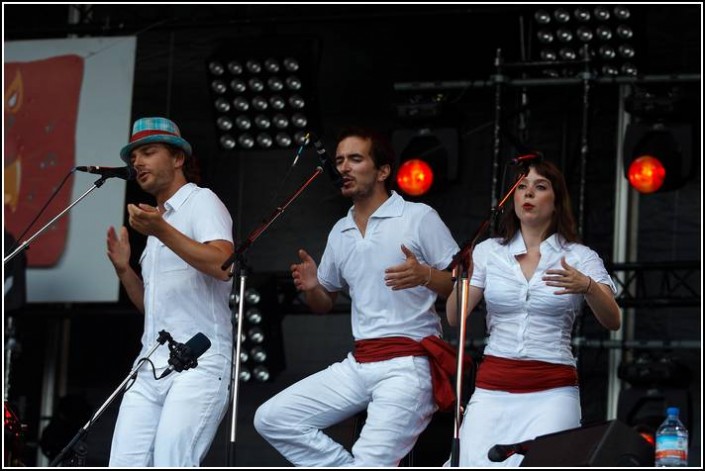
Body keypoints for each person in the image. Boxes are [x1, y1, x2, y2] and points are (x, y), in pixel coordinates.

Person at [254, 127, 460, 466]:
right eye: (339, 161)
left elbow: (463, 284)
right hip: (360, 363)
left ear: (382, 171)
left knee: (370, 460)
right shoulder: (341, 231)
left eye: (355, 159)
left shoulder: (418, 217)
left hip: (408, 366)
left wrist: (426, 275)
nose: (343, 168)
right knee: (273, 418)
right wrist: (312, 288)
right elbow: (324, 304)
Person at [445, 159, 621, 466]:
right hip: (492, 390)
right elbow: (454, 318)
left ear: (556, 201)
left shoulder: (579, 256)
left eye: (540, 187)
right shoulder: (488, 252)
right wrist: (462, 272)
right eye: (522, 187)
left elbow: (613, 320)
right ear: (512, 199)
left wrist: (588, 286)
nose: (529, 194)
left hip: (552, 392)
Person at [106, 117, 234, 467]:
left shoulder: (201, 201)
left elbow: (224, 264)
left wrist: (162, 230)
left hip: (199, 362)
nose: (138, 163)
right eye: (134, 158)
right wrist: (124, 269)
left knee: (172, 463)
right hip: (149, 366)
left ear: (178, 158)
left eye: (148, 152)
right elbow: (152, 307)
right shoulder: (156, 223)